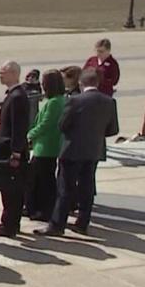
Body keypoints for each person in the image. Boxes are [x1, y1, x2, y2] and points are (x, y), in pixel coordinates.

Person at [39, 69, 119, 236]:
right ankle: (82, 223)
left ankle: (57, 225)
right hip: (94, 150)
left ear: (81, 84)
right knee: (87, 187)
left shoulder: (75, 101)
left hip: (72, 150)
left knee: (65, 188)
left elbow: (62, 125)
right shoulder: (109, 101)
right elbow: (112, 130)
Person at [0, 61, 31, 238]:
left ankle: (10, 225)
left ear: (14, 73)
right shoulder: (13, 95)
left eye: (3, 72)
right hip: (8, 147)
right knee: (8, 190)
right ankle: (9, 220)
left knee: (11, 190)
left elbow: (19, 127)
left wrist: (16, 152)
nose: (0, 75)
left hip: (11, 152)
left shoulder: (17, 97)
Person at [24, 70, 66, 222]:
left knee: (42, 180)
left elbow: (46, 124)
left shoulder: (54, 103)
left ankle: (43, 209)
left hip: (45, 146)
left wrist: (29, 134)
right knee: (42, 178)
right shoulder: (60, 100)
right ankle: (36, 207)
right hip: (49, 145)